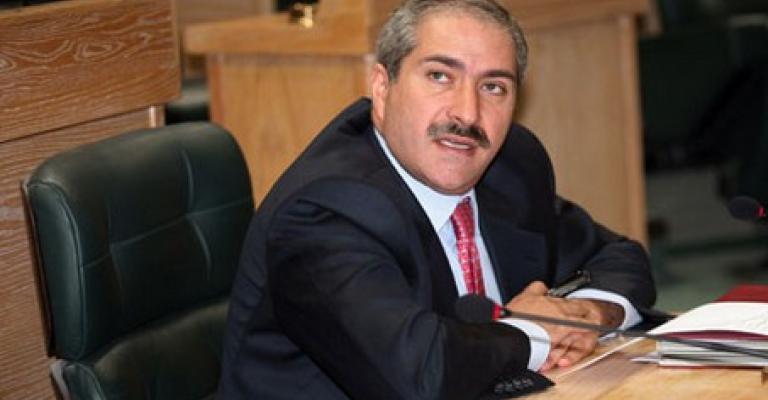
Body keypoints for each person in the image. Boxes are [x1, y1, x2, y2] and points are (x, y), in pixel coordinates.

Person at [218, 0, 656, 399]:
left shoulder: (509, 165)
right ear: (382, 88)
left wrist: (588, 314)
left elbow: (619, 258)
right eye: (440, 77)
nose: (467, 114)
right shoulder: (325, 212)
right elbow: (416, 376)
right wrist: (534, 333)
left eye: (493, 87)